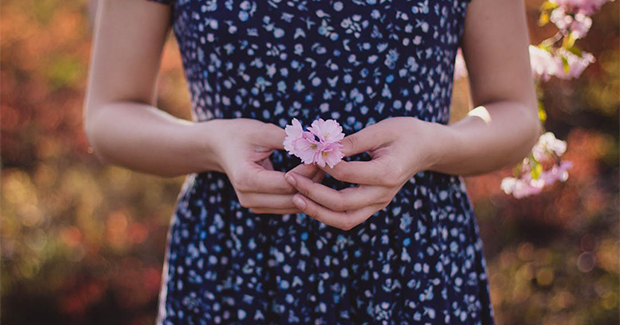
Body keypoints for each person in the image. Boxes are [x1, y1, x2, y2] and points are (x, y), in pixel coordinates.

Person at [84, 0, 539, 323]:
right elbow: (109, 114)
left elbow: (515, 112)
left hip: (411, 261)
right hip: (235, 261)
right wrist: (211, 143)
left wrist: (433, 144)